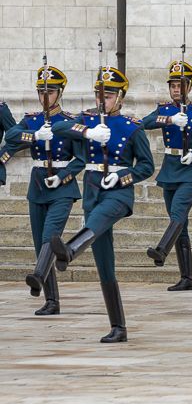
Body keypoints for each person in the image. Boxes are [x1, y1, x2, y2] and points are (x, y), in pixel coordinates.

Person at [50, 66, 154, 343]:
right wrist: (88, 133)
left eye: (108, 96)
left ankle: (70, 250)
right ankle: (118, 327)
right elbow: (59, 126)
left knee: (97, 220)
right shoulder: (87, 120)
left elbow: (146, 166)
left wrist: (120, 176)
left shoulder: (132, 128)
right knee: (105, 263)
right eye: (100, 95)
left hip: (117, 194)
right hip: (93, 190)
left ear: (120, 98)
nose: (103, 100)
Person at [2, 65, 84, 316]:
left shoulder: (71, 122)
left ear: (60, 93)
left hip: (62, 188)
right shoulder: (32, 120)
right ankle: (52, 301)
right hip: (37, 185)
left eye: (49, 91)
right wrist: (35, 135)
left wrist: (61, 177)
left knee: (50, 236)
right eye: (41, 91)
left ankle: (38, 275)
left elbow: (79, 160)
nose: (44, 96)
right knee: (41, 244)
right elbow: (13, 135)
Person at [142, 60, 192, 290]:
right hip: (170, 169)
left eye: (180, 85)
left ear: (189, 87)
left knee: (178, 212)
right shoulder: (164, 110)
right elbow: (143, 124)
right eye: (173, 85)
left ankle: (161, 250)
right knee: (181, 224)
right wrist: (169, 120)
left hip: (191, 170)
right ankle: (187, 278)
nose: (176, 89)